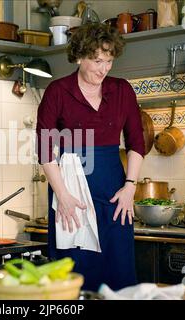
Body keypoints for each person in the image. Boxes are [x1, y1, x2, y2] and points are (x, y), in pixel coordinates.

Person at [35, 23, 145, 292]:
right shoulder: (57, 92)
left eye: (109, 61)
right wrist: (62, 195)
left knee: (119, 275)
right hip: (70, 195)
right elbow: (45, 150)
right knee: (74, 278)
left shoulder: (122, 91)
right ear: (79, 56)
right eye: (97, 60)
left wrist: (130, 187)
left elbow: (137, 143)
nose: (104, 68)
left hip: (115, 196)